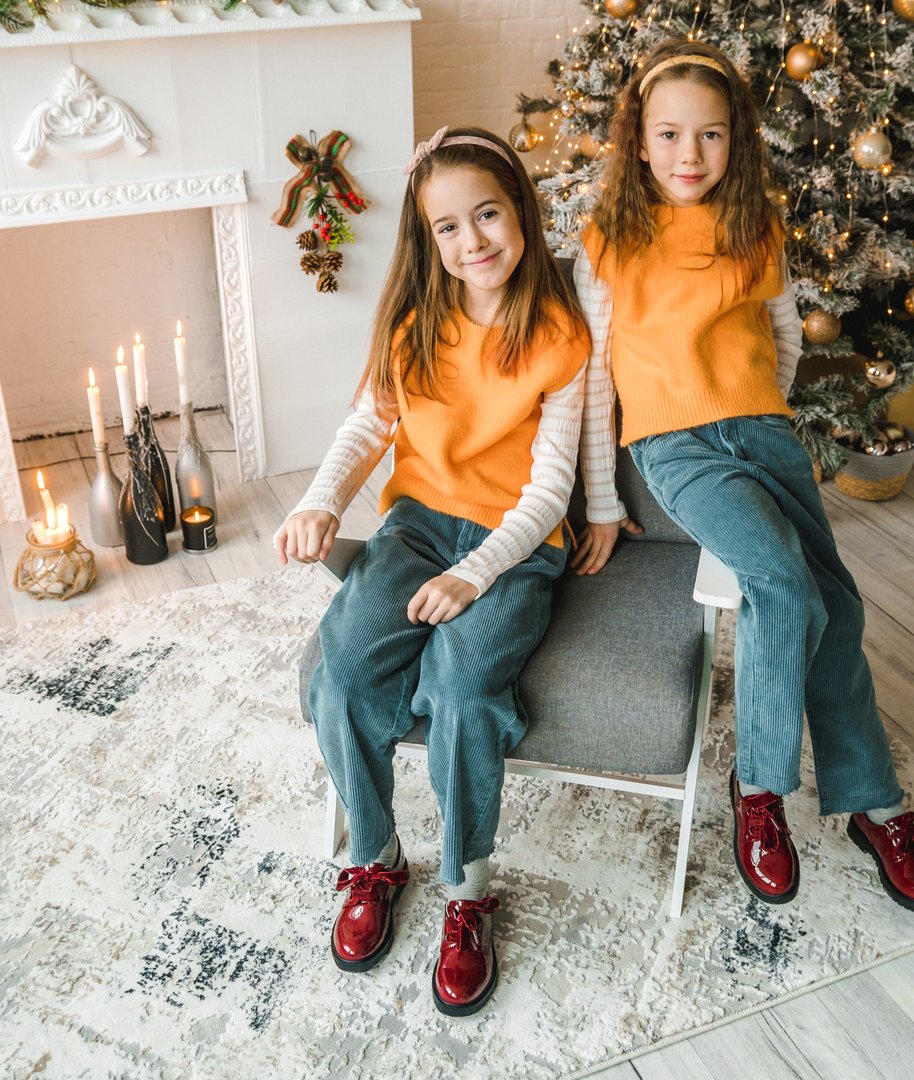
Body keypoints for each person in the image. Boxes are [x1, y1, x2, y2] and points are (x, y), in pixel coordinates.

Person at [573, 41, 914, 914]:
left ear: (736, 140)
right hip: (676, 447)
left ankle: (872, 804)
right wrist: (601, 500)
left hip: (763, 432)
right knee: (780, 580)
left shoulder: (755, 230)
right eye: (669, 135)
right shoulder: (609, 242)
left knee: (836, 604)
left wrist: (757, 409)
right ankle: (761, 788)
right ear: (639, 143)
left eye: (710, 135)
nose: (689, 155)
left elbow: (779, 339)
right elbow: (591, 381)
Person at [274, 125, 590, 1014]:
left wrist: (475, 575)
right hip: (416, 525)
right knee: (341, 671)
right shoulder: (415, 323)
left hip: (516, 547)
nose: (472, 240)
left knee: (461, 686)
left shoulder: (559, 335)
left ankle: (466, 889)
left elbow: (549, 489)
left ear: (520, 212)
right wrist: (321, 501)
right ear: (428, 237)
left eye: (487, 215)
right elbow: (369, 426)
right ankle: (376, 859)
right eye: (448, 227)